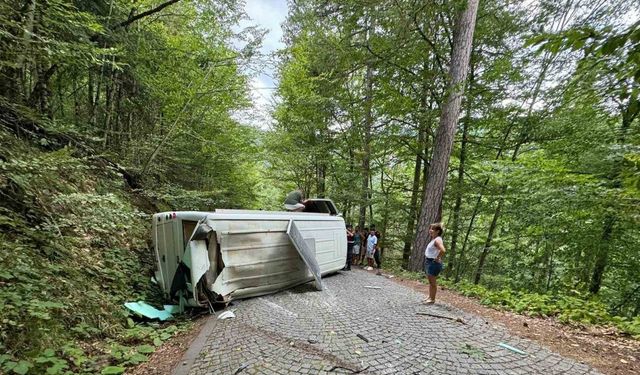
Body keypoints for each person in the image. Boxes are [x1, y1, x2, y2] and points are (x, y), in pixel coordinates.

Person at [423, 223, 446, 304]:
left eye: (433, 229)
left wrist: (437, 257)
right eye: (430, 228)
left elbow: (443, 250)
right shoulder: (434, 239)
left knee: (433, 282)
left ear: (438, 231)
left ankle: (432, 299)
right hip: (430, 262)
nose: (430, 230)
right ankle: (430, 297)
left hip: (433, 263)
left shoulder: (437, 240)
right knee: (430, 282)